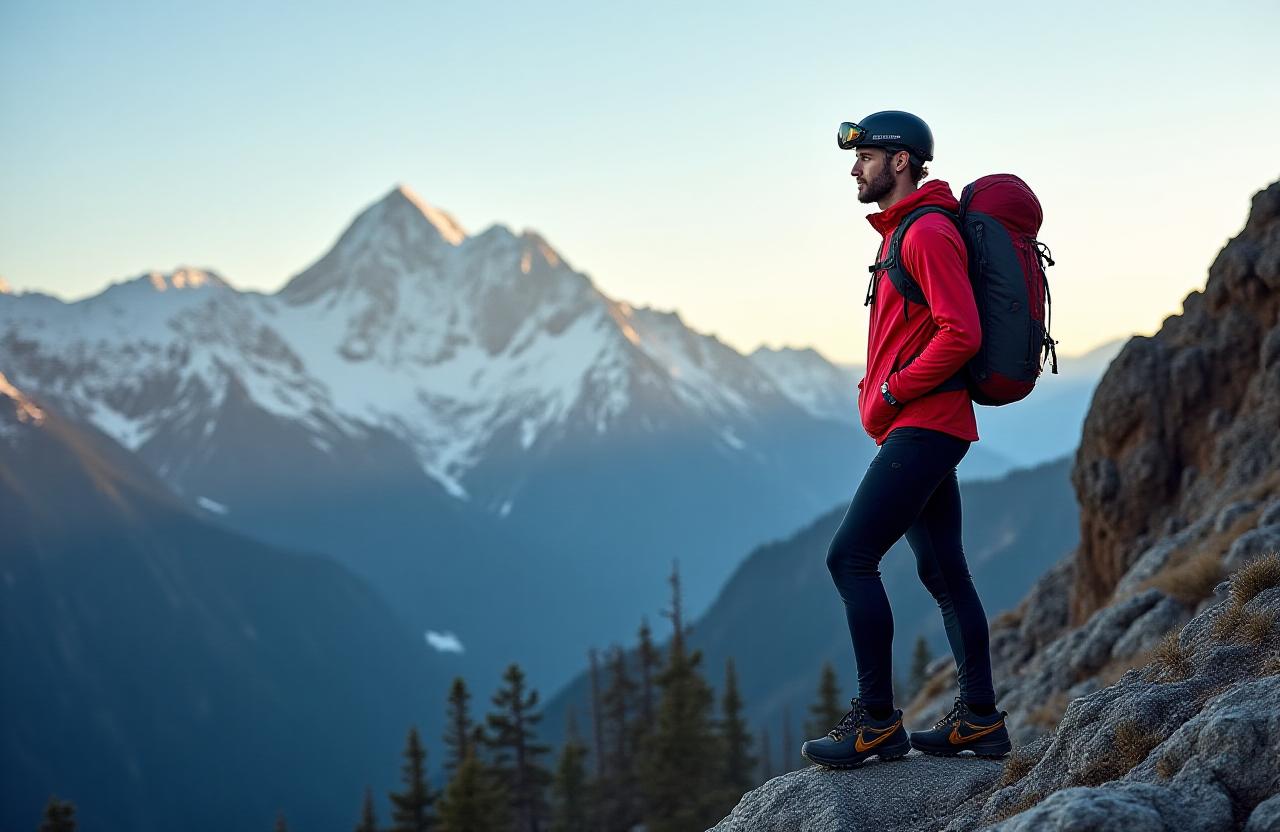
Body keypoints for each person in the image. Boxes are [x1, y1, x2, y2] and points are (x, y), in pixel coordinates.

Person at [799, 110, 1011, 768]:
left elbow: (962, 332)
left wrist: (892, 392)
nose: (855, 168)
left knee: (849, 559)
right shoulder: (903, 233)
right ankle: (979, 720)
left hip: (925, 425)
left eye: (866, 156)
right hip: (925, 426)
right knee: (943, 571)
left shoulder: (923, 234)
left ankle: (876, 724)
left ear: (901, 161)